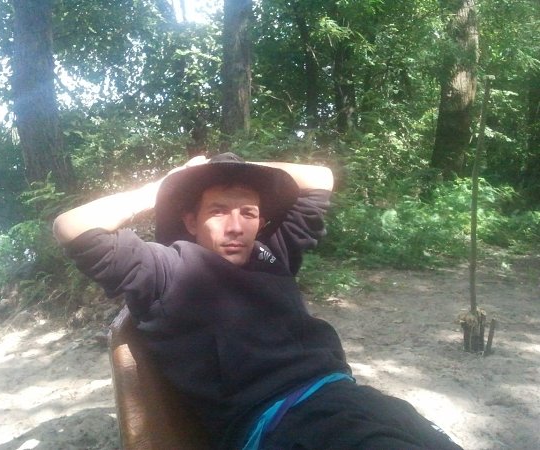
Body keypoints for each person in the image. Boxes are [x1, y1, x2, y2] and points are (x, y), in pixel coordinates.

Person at [53, 152, 462, 450]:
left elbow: (320, 177)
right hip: (280, 423)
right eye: (218, 211)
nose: (236, 227)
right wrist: (166, 184)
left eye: (248, 213)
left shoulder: (272, 254)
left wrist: (236, 166)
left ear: (261, 222)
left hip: (353, 399)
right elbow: (72, 226)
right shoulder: (166, 268)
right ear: (191, 221)